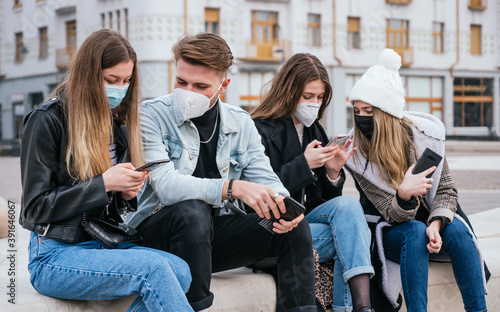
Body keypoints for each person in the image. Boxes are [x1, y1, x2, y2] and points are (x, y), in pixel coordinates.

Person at [125, 33, 316, 312]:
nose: (187, 91)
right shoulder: (150, 115)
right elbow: (166, 187)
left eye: (200, 85)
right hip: (158, 235)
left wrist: (283, 206)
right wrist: (231, 188)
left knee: (295, 225)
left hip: (212, 238)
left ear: (223, 85)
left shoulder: (241, 122)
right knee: (193, 210)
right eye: (181, 81)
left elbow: (266, 178)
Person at [20, 29, 193, 312]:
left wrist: (125, 191)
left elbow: (103, 204)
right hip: (52, 256)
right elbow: (34, 209)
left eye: (126, 81)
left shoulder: (114, 126)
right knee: (155, 271)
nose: (120, 88)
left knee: (182, 271)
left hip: (98, 245)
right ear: (88, 76)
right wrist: (103, 184)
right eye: (111, 80)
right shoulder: (47, 119)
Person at [345, 49, 488, 311]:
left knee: (457, 228)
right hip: (386, 230)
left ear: (386, 114)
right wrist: (403, 195)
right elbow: (391, 214)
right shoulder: (357, 157)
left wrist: (435, 223)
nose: (361, 117)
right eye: (357, 110)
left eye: (368, 110)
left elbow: (446, 189)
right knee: (414, 231)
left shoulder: (425, 138)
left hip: (427, 224)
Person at [252, 53, 375, 312]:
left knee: (349, 209)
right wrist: (303, 165)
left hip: (306, 224)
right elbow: (260, 192)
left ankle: (362, 308)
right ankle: (353, 308)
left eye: (319, 98)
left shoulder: (315, 130)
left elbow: (323, 206)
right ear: (289, 91)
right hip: (270, 230)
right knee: (355, 234)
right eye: (307, 97)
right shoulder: (259, 129)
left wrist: (332, 174)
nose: (314, 104)